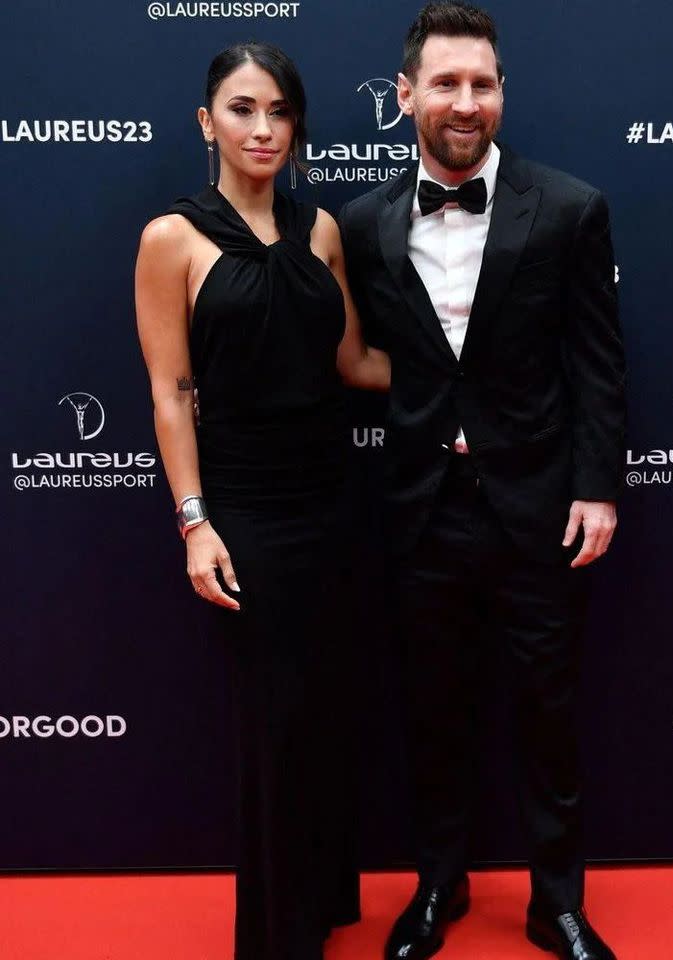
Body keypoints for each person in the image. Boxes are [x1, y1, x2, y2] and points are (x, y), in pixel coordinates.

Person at [339, 3, 626, 959]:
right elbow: (355, 358)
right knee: (434, 714)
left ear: (502, 90)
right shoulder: (365, 224)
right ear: (406, 94)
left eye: (485, 83)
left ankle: (559, 903)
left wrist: (597, 486)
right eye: (448, 83)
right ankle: (438, 888)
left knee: (548, 714)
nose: (468, 103)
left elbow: (597, 360)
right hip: (421, 511)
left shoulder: (573, 207)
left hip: (540, 507)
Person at [135, 41, 389, 960]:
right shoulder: (172, 239)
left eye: (280, 111)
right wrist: (194, 522)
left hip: (334, 503)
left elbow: (355, 362)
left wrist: (472, 376)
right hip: (246, 513)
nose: (264, 128)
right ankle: (278, 936)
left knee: (327, 712)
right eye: (243, 109)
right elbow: (170, 391)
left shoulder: (321, 229)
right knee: (273, 722)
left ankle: (318, 906)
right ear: (208, 123)